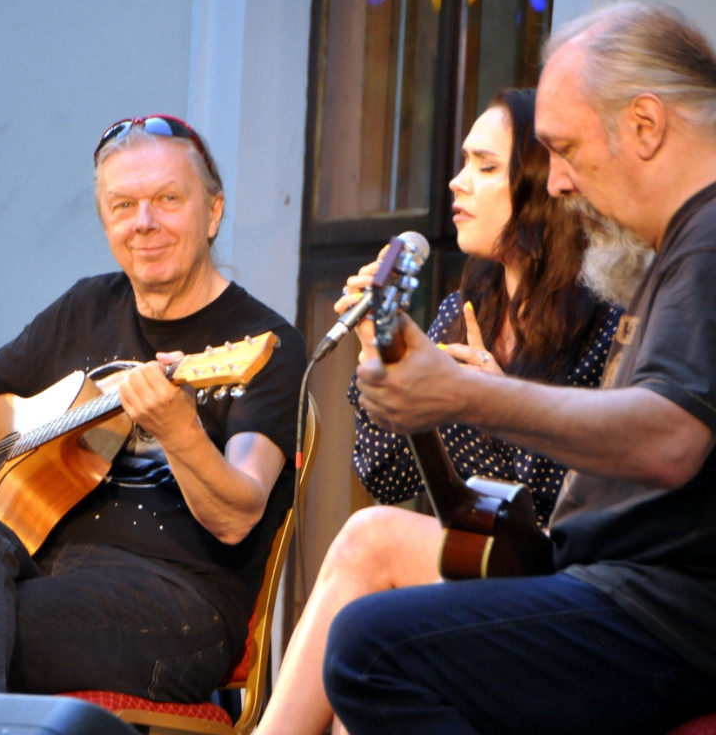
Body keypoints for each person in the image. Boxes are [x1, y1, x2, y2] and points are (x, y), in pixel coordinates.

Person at [323, 0, 716, 734]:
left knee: (371, 646)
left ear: (645, 125)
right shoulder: (678, 249)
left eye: (563, 148)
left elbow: (670, 438)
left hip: (665, 612)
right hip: (619, 589)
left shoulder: (707, 238)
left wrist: (469, 394)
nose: (558, 182)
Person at [253, 88, 627, 735]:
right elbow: (388, 475)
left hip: (560, 581)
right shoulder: (467, 305)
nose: (456, 182)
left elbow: (561, 504)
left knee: (371, 539)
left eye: (484, 167)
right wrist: (383, 357)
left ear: (540, 186)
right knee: (354, 695)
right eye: (462, 162)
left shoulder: (605, 321)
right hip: (469, 565)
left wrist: (492, 403)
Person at [0, 114, 307, 701]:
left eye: (168, 199)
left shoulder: (264, 344)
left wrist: (180, 430)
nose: (144, 223)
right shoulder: (87, 306)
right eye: (123, 206)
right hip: (49, 574)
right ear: (105, 224)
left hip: (177, 604)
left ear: (213, 212)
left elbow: (238, 514)